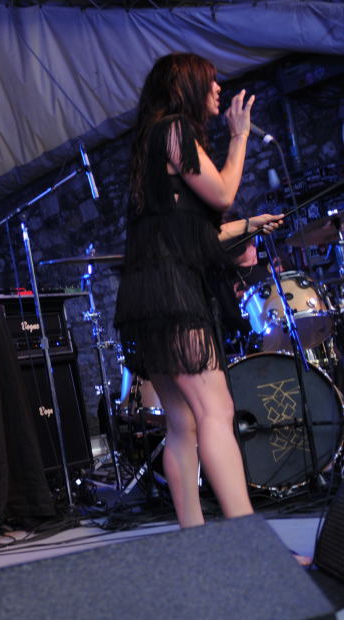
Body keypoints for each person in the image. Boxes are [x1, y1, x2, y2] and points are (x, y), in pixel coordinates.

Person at [113, 53, 284, 530]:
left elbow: (191, 233)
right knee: (216, 408)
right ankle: (247, 538)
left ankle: (195, 539)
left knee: (182, 421)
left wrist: (250, 225)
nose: (218, 89)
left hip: (147, 295)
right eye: (210, 82)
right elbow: (223, 193)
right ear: (184, 86)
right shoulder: (173, 130)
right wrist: (240, 136)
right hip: (171, 293)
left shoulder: (152, 141)